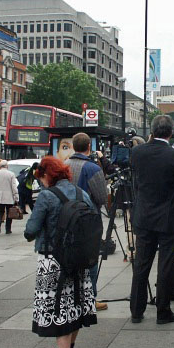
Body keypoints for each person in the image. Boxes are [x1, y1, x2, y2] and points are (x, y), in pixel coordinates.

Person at [24, 156, 97, 348]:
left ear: (47, 175)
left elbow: (31, 229)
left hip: (53, 258)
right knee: (75, 303)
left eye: (41, 178)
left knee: (58, 305)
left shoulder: (47, 196)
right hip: (80, 257)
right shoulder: (80, 192)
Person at [129, 115, 174, 325]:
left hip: (144, 216)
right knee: (165, 265)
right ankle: (163, 311)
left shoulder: (137, 152)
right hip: (168, 218)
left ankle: (137, 311)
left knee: (141, 264)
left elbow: (136, 183)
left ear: (152, 131)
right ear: (170, 133)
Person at [66, 132, 109, 310]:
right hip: (88, 220)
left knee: (70, 257)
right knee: (90, 259)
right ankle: (89, 299)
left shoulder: (64, 165)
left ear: (73, 146)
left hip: (66, 218)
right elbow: (101, 196)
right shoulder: (92, 168)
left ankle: (71, 296)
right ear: (89, 147)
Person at [0, 160, 19, 235]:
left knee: (0, 212)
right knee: (9, 213)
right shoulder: (11, 174)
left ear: (0, 166)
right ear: (7, 166)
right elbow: (14, 186)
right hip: (9, 196)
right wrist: (16, 196)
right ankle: (8, 229)